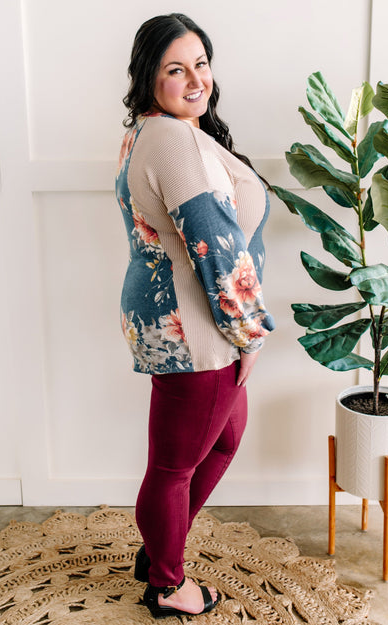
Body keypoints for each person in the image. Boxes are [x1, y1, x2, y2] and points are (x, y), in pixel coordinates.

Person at [115, 13, 275, 619]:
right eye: (175, 69)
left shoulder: (153, 131)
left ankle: (161, 546)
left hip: (172, 316)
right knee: (174, 466)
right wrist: (247, 332)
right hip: (200, 326)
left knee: (224, 438)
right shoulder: (174, 141)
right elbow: (213, 242)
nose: (194, 79)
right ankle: (166, 585)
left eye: (200, 64)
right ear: (149, 76)